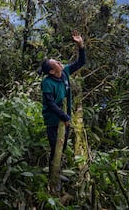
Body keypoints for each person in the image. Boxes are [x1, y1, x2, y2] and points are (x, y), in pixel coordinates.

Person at [39, 30, 86, 181]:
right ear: (52, 71)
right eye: (56, 63)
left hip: (64, 117)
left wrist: (81, 46)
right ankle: (52, 177)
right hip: (53, 119)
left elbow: (81, 63)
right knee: (55, 147)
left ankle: (57, 173)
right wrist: (65, 117)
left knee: (63, 145)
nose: (60, 63)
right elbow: (51, 104)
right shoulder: (47, 83)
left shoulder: (64, 72)